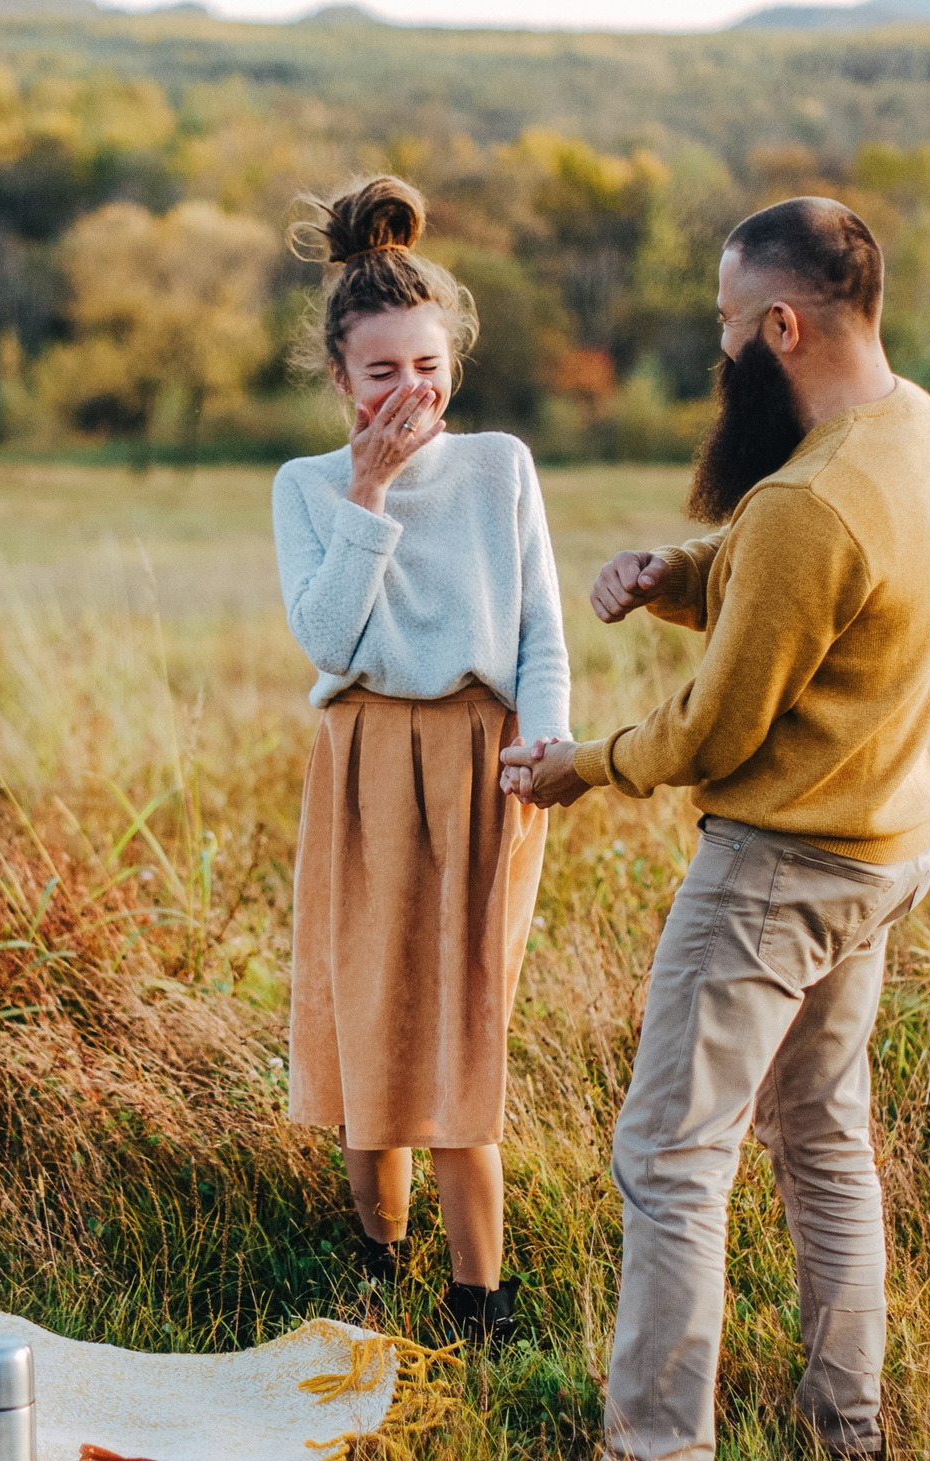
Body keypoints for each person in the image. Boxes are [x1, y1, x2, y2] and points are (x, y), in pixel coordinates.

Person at [503, 197, 930, 1461]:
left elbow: (715, 726)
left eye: (726, 327)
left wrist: (580, 769)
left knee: (669, 1157)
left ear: (784, 324)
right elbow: (805, 589)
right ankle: (850, 1430)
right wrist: (675, 575)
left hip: (776, 874)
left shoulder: (808, 500)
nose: (720, 354)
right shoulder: (915, 430)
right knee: (824, 1140)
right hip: (884, 855)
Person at [272, 174, 572, 1343]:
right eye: (383, 370)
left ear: (454, 359)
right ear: (342, 379)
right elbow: (329, 638)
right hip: (361, 764)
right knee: (367, 1007)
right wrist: (370, 492)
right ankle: (373, 1265)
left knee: (461, 1022)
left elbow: (539, 626)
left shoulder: (501, 466)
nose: (411, 389)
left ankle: (479, 1298)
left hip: (482, 760)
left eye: (427, 364)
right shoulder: (309, 488)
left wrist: (541, 747)